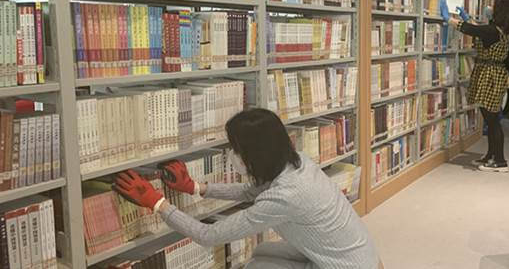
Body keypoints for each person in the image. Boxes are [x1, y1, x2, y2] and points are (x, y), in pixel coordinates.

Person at [114, 108, 381, 269]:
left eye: (236, 148)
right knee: (262, 253)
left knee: (258, 266)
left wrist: (157, 203)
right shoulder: (297, 163)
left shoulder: (288, 195)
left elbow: (208, 234)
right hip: (358, 256)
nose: (233, 154)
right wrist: (196, 187)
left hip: (348, 266)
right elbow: (252, 193)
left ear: (256, 152)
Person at [441, 0, 509, 172]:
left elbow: (473, 30)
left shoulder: (493, 30)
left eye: (492, 6)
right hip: (491, 72)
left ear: (498, 10)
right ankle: (491, 155)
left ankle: (500, 161)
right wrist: (467, 18)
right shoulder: (500, 29)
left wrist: (449, 19)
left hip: (490, 74)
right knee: (490, 117)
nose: (489, 8)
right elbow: (480, 30)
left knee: (492, 119)